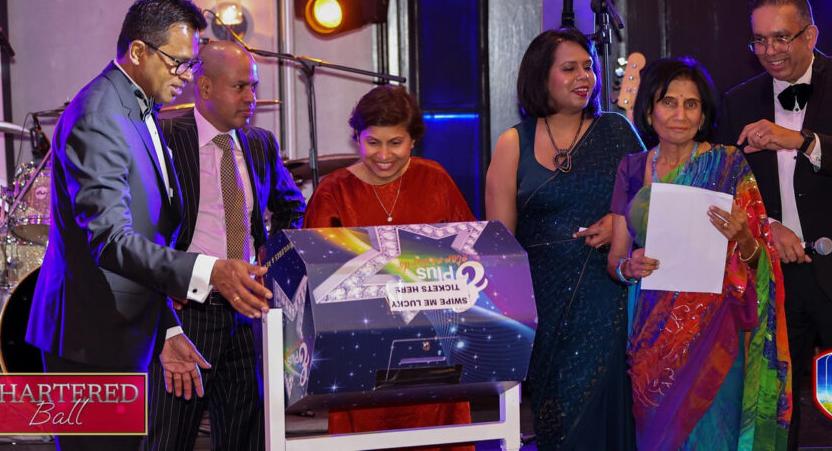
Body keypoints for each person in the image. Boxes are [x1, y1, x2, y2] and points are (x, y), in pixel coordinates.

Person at [25, 0, 273, 451]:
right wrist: (211, 270)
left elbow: (147, 234)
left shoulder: (138, 105)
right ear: (138, 51)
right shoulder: (100, 115)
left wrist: (168, 328)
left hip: (122, 330)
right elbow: (110, 240)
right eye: (177, 62)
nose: (187, 76)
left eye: (190, 64)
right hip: (90, 340)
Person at [716, 0, 832, 450]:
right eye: (759, 40)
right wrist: (768, 227)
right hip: (775, 281)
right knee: (775, 416)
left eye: (781, 37)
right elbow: (728, 188)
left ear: (811, 35)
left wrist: (802, 141)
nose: (769, 51)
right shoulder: (738, 100)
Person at [609, 56, 792, 450]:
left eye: (690, 104)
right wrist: (628, 268)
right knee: (658, 435)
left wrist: (744, 238)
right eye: (668, 102)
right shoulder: (631, 167)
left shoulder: (728, 165)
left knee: (713, 433)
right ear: (649, 110)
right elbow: (615, 260)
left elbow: (760, 260)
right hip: (650, 333)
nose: (680, 114)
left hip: (715, 330)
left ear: (704, 113)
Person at [485, 27, 644, 451]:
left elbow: (654, 201)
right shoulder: (513, 143)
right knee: (560, 423)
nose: (584, 77)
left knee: (606, 416)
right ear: (541, 77)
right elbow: (500, 248)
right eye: (569, 68)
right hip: (543, 306)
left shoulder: (616, 130)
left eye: (588, 67)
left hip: (609, 296)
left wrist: (620, 223)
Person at [145, 41, 306, 450]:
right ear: (205, 87)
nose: (251, 98)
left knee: (246, 437)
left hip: (248, 311)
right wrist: (164, 294)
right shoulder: (163, 137)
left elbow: (291, 206)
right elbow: (141, 232)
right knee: (169, 437)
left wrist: (272, 260)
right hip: (188, 310)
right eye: (240, 87)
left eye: (253, 86)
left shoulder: (259, 142)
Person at [304, 84, 474, 451]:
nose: (383, 155)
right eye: (372, 142)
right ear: (357, 138)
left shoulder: (436, 180)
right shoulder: (333, 191)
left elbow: (470, 255)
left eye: (395, 143)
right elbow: (315, 278)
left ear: (413, 140)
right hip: (361, 352)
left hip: (434, 348)